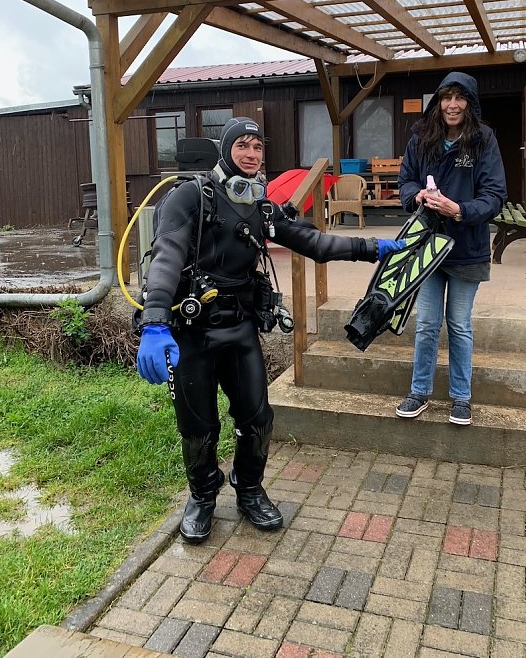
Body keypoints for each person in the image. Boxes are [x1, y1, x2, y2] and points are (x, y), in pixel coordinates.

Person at [136, 117, 405, 544]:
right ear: (225, 150)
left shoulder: (261, 207)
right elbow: (166, 257)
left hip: (239, 328)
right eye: (242, 145)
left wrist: (371, 248)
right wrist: (154, 322)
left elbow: (313, 242)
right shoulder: (191, 197)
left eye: (258, 147)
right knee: (198, 425)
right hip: (191, 332)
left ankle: (249, 489)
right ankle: (203, 497)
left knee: (258, 417)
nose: (251, 154)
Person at [395, 72, 507, 426]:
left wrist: (458, 210)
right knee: (427, 323)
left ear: (470, 103)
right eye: (447, 97)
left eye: (460, 98)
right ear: (438, 102)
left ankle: (461, 397)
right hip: (427, 246)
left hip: (466, 248)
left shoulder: (483, 140)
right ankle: (419, 391)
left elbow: (495, 196)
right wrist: (416, 195)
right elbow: (406, 178)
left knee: (458, 324)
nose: (452, 105)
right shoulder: (421, 137)